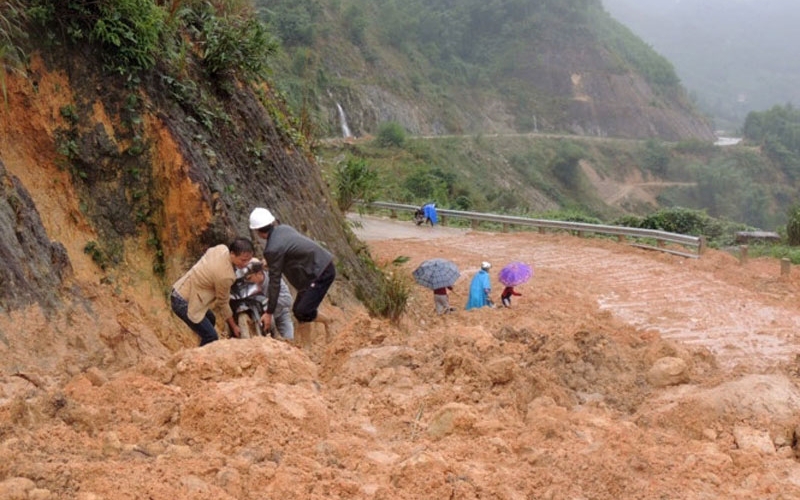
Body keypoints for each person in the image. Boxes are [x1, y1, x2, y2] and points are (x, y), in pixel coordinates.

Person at [249, 207, 335, 348]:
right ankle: (307, 348)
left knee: (303, 311)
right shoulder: (283, 229)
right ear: (272, 222)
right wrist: (269, 262)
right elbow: (291, 251)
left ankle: (327, 322)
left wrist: (269, 312)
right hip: (316, 269)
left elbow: (274, 283)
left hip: (320, 272)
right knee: (298, 311)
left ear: (257, 232)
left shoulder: (272, 249)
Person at [171, 237, 255, 346]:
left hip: (183, 288)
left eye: (249, 260)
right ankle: (196, 360)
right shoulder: (225, 276)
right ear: (232, 254)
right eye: (243, 260)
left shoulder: (221, 248)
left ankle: (199, 345)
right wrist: (234, 326)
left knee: (211, 319)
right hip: (183, 301)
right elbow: (223, 302)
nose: (246, 263)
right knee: (211, 336)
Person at [228, 259, 295, 340]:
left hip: (279, 314)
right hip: (257, 313)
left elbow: (288, 300)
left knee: (289, 340)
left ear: (259, 273)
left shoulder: (274, 279)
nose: (247, 281)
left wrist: (269, 308)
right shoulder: (247, 283)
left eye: (249, 278)